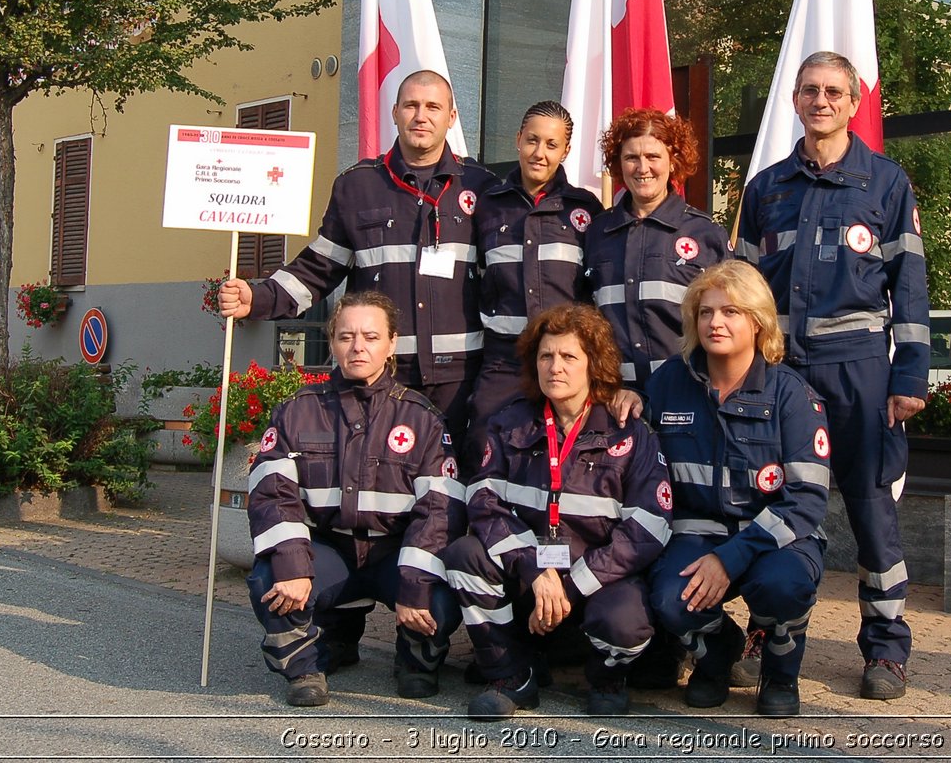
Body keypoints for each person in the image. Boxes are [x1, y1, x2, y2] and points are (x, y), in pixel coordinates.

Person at [735, 50, 929, 701]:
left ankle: (886, 651)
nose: (821, 101)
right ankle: (770, 632)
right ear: (795, 100)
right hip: (783, 376)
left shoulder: (886, 183)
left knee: (872, 511)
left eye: (834, 92)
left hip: (862, 375)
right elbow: (742, 288)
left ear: (853, 103)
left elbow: (911, 287)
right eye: (810, 91)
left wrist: (911, 375)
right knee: (774, 504)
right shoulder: (766, 188)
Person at [220, 71, 498, 451]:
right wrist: (259, 298)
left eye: (433, 107)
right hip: (380, 375)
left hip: (458, 378)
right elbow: (320, 267)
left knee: (452, 486)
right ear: (395, 112)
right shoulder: (358, 186)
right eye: (412, 105)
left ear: (451, 117)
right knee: (378, 480)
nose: (421, 116)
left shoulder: (481, 186)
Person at [442, 303, 672, 720]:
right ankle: (511, 676)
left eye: (569, 357)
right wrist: (531, 567)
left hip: (598, 577)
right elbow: (483, 500)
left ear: (593, 364)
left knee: (625, 625)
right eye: (546, 356)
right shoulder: (507, 423)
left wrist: (571, 586)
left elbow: (648, 528)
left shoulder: (629, 432)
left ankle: (604, 678)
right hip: (531, 575)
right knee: (464, 556)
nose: (556, 367)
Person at [244, 291, 464, 707]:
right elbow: (273, 494)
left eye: (370, 336)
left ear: (392, 343)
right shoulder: (297, 410)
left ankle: (416, 662)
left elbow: (440, 509)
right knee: (270, 580)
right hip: (329, 549)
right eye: (346, 336)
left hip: (394, 555)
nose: (357, 346)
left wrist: (414, 585)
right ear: (332, 343)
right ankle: (306, 665)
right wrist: (292, 564)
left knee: (439, 598)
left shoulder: (422, 418)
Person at [645, 261, 830, 718]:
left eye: (731, 312)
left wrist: (732, 556)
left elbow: (807, 498)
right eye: (706, 313)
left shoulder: (791, 394)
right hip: (696, 534)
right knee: (670, 598)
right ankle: (717, 654)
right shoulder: (669, 382)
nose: (716, 323)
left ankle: (781, 672)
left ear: (758, 322)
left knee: (783, 586)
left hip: (774, 538)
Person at [466, 100, 603, 470]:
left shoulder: (586, 210)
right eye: (532, 140)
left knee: (565, 459)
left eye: (551, 145)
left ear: (566, 151)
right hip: (503, 361)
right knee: (483, 449)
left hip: (566, 363)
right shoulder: (488, 207)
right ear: (518, 140)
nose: (539, 153)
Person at [582, 108, 729, 393]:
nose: (642, 168)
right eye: (631, 158)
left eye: (653, 157)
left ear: (673, 162)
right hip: (615, 395)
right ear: (618, 164)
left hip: (689, 391)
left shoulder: (706, 233)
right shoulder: (596, 234)